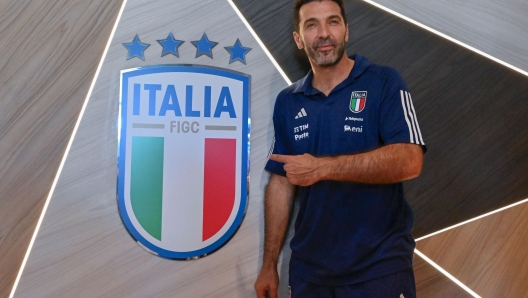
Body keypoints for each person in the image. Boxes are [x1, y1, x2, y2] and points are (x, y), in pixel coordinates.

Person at [254, 0, 426, 297]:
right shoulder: (288, 101)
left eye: (333, 22)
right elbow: (281, 181)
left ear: (346, 31)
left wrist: (322, 168)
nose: (323, 33)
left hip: (379, 268)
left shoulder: (384, 82)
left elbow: (410, 159)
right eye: (311, 25)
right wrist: (269, 264)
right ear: (298, 39)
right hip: (310, 273)